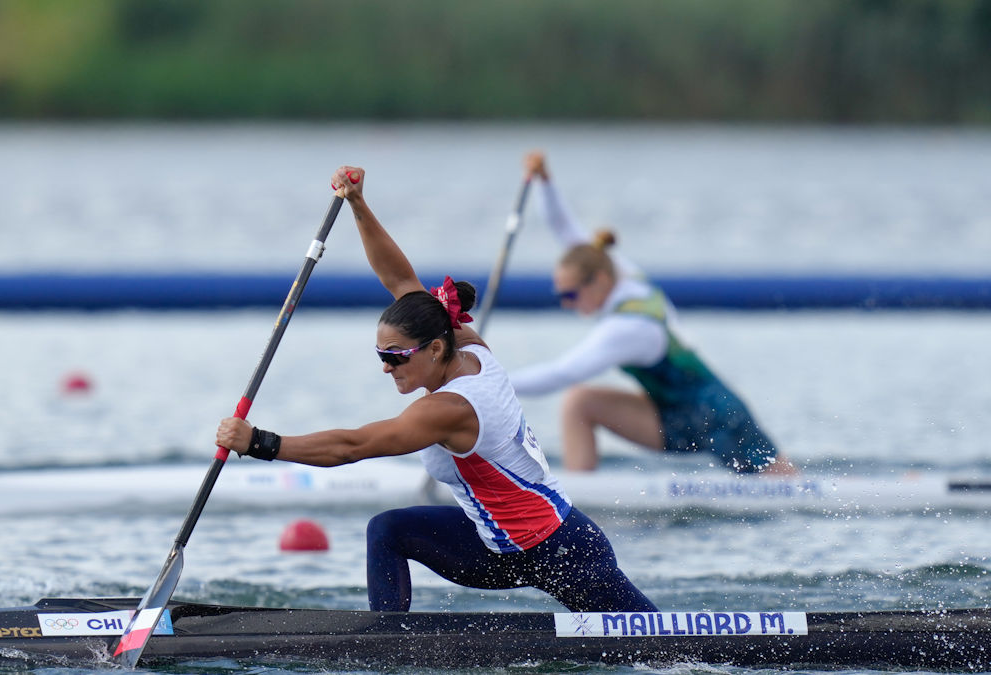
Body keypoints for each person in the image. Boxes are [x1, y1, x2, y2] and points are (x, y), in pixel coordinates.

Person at [216, 165, 657, 614]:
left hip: (562, 551)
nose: (387, 368)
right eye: (381, 355)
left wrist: (259, 442)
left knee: (667, 648)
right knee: (387, 530)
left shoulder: (450, 409)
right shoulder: (464, 342)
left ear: (435, 349)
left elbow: (354, 445)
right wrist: (358, 204)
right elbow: (401, 281)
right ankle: (387, 646)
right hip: (497, 548)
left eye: (395, 356)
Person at [509, 151, 796, 475]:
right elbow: (563, 228)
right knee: (580, 403)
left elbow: (560, 374)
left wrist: (488, 382)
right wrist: (545, 181)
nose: (567, 303)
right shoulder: (615, 270)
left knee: (790, 488)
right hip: (670, 412)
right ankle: (575, 501)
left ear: (599, 282)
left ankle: (572, 499)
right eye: (561, 295)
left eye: (571, 294)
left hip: (717, 416)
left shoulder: (627, 328)